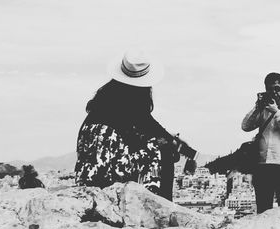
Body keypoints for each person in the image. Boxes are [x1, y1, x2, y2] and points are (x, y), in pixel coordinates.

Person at [74, 52, 195, 200]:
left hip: (89, 178)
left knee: (163, 146)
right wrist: (175, 147)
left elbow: (153, 128)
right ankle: (161, 208)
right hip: (112, 178)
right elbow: (154, 132)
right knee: (164, 151)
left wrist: (176, 144)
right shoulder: (134, 103)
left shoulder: (105, 100)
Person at [241, 71, 280, 213]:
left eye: (277, 88)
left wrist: (276, 112)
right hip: (263, 166)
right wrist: (257, 107)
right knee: (263, 210)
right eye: (270, 89)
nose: (274, 92)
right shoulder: (262, 110)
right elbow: (245, 126)